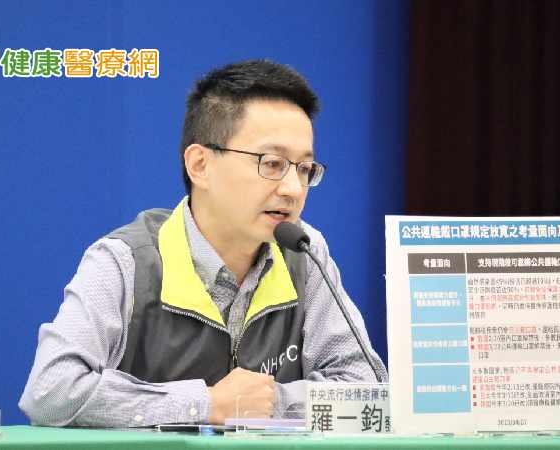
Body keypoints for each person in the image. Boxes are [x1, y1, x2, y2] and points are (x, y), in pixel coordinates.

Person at [19, 59, 387, 427]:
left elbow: (367, 389)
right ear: (200, 165)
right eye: (273, 163)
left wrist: (271, 402)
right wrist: (205, 404)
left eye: (304, 169)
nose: (293, 189)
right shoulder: (125, 261)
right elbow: (51, 391)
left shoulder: (304, 253)